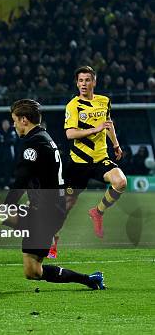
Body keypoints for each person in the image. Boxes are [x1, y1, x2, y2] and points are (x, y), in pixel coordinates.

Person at [0, 99, 105, 292]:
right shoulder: (44, 137)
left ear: (24, 120)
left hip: (45, 215)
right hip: (47, 211)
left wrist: (6, 208)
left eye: (14, 120)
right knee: (33, 271)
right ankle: (90, 280)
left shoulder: (34, 143)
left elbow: (20, 182)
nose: (13, 125)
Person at [61, 66, 127, 244]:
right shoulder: (73, 106)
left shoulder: (104, 101)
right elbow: (70, 134)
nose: (83, 84)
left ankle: (97, 212)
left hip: (100, 159)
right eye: (80, 80)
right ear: (77, 83)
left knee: (120, 182)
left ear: (94, 82)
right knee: (67, 205)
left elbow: (108, 123)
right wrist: (95, 129)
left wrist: (116, 144)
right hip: (78, 163)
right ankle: (53, 238)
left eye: (87, 80)